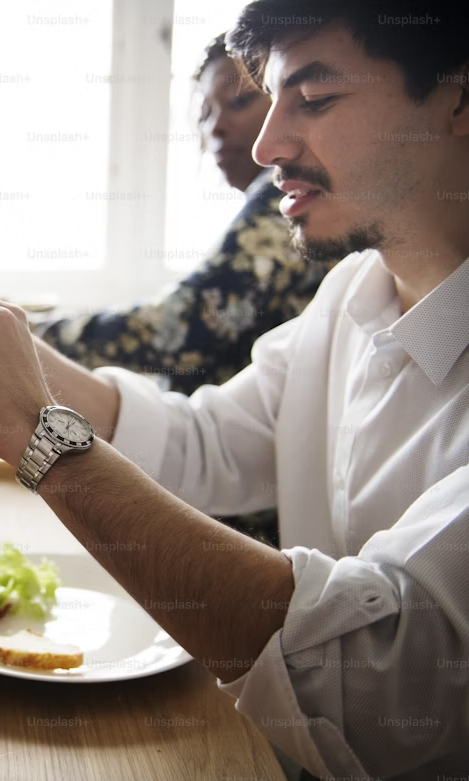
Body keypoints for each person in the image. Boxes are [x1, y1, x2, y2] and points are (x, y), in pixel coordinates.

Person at [0, 0, 469, 776]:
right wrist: (2, 336)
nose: (264, 143)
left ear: (455, 98)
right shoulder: (353, 289)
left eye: (314, 99)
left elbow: (367, 680)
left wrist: (38, 435)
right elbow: (202, 441)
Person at [39, 33, 339, 546]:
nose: (216, 125)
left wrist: (30, 337)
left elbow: (183, 324)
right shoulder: (291, 224)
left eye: (241, 101)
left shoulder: (285, 203)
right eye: (204, 112)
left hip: (263, 526)